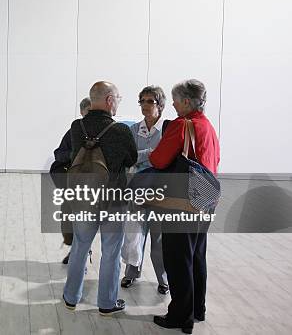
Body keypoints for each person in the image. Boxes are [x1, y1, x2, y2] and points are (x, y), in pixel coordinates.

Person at [150, 79, 220, 334]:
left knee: (178, 259)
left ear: (187, 101)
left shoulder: (182, 125)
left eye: (177, 101)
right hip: (206, 199)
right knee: (196, 256)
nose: (175, 106)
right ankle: (197, 309)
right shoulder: (208, 127)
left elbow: (159, 159)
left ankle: (180, 316)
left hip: (181, 203)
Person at [62, 81, 137, 316]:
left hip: (83, 199)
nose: (118, 103)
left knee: (79, 247)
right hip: (113, 201)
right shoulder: (120, 130)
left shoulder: (77, 127)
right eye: (118, 98)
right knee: (110, 253)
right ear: (109, 100)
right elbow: (131, 159)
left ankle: (71, 297)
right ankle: (106, 303)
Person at [121, 86, 169, 294]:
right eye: (142, 101)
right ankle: (132, 273)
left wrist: (146, 157)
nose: (145, 105)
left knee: (158, 237)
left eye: (150, 101)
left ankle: (163, 279)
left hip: (159, 191)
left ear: (160, 105)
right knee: (134, 233)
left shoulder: (167, 130)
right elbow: (130, 157)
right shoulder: (133, 130)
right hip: (137, 189)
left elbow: (167, 160)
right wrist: (152, 154)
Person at [50, 97, 91, 264]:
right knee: (69, 221)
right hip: (72, 183)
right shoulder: (73, 131)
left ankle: (82, 253)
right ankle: (76, 249)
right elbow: (58, 154)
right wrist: (75, 154)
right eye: (88, 112)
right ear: (82, 112)